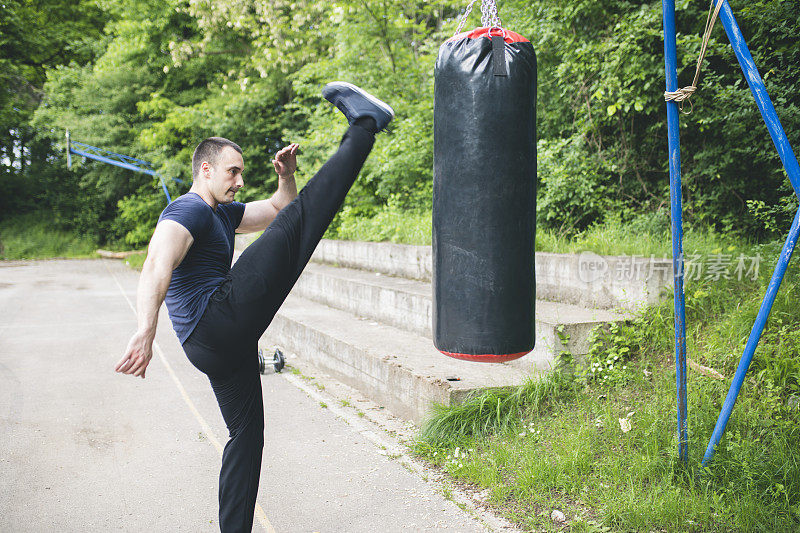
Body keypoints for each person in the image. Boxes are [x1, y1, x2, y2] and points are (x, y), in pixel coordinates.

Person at [114, 82, 394, 532]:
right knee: (302, 226)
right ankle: (364, 124)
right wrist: (145, 330)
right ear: (205, 169)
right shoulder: (188, 210)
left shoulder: (223, 213)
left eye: (242, 173)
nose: (240, 181)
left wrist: (286, 175)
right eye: (232, 172)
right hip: (216, 320)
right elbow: (156, 262)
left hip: (218, 348)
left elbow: (282, 206)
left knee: (246, 437)